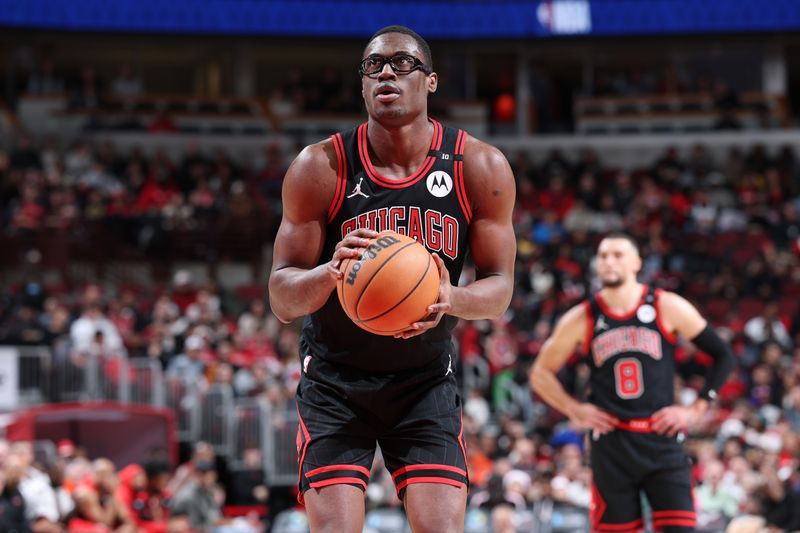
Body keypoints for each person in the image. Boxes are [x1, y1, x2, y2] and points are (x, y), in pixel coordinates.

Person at [268, 25, 516, 533]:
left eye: (403, 64)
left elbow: (499, 289)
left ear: (430, 81)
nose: (386, 72)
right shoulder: (320, 167)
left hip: (425, 380)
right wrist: (330, 272)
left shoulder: (480, 166)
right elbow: (281, 296)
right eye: (373, 66)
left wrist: (451, 298)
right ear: (362, 86)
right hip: (336, 381)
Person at [530, 233, 735, 532]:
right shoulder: (582, 317)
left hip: (661, 439)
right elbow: (540, 373)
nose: (609, 261)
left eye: (618, 255)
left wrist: (696, 409)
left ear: (637, 262)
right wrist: (574, 409)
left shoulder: (666, 305)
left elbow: (723, 355)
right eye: (603, 256)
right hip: (612, 444)